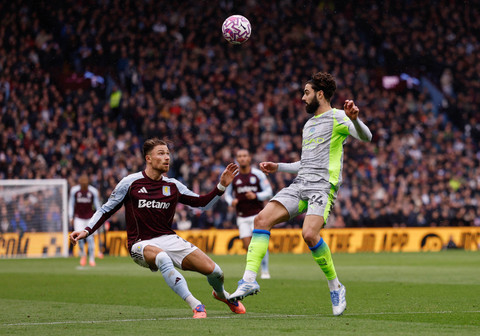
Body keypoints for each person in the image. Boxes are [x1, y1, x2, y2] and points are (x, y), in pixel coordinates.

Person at [229, 72, 372, 316]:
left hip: (322, 187)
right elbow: (305, 163)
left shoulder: (339, 117)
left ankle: (335, 286)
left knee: (309, 234)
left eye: (306, 93)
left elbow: (367, 137)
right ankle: (249, 279)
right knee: (261, 220)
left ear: (320, 94)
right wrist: (279, 167)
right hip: (300, 183)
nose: (302, 98)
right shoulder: (308, 125)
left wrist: (355, 119)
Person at [69, 138, 245, 319]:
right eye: (161, 153)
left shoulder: (173, 185)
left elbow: (202, 204)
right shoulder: (130, 183)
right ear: (148, 159)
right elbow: (107, 209)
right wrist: (87, 230)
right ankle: (196, 304)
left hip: (168, 238)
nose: (167, 157)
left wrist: (221, 186)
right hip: (140, 243)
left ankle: (222, 295)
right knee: (162, 257)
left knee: (215, 271)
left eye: (168, 153)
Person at [224, 149, 273, 279]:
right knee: (247, 245)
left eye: (245, 156)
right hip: (241, 216)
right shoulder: (234, 176)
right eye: (240, 156)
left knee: (259, 243)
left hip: (257, 215)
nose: (242, 158)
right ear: (237, 159)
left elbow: (268, 192)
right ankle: (255, 268)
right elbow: (227, 194)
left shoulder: (258, 174)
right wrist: (231, 201)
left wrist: (256, 195)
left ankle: (265, 270)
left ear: (249, 158)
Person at [68, 174, 101, 266]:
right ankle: (83, 254)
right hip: (78, 218)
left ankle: (91, 258)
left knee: (90, 238)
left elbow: (97, 206)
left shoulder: (92, 191)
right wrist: (71, 217)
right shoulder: (75, 191)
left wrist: (98, 218)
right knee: (79, 239)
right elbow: (71, 204)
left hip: (90, 218)